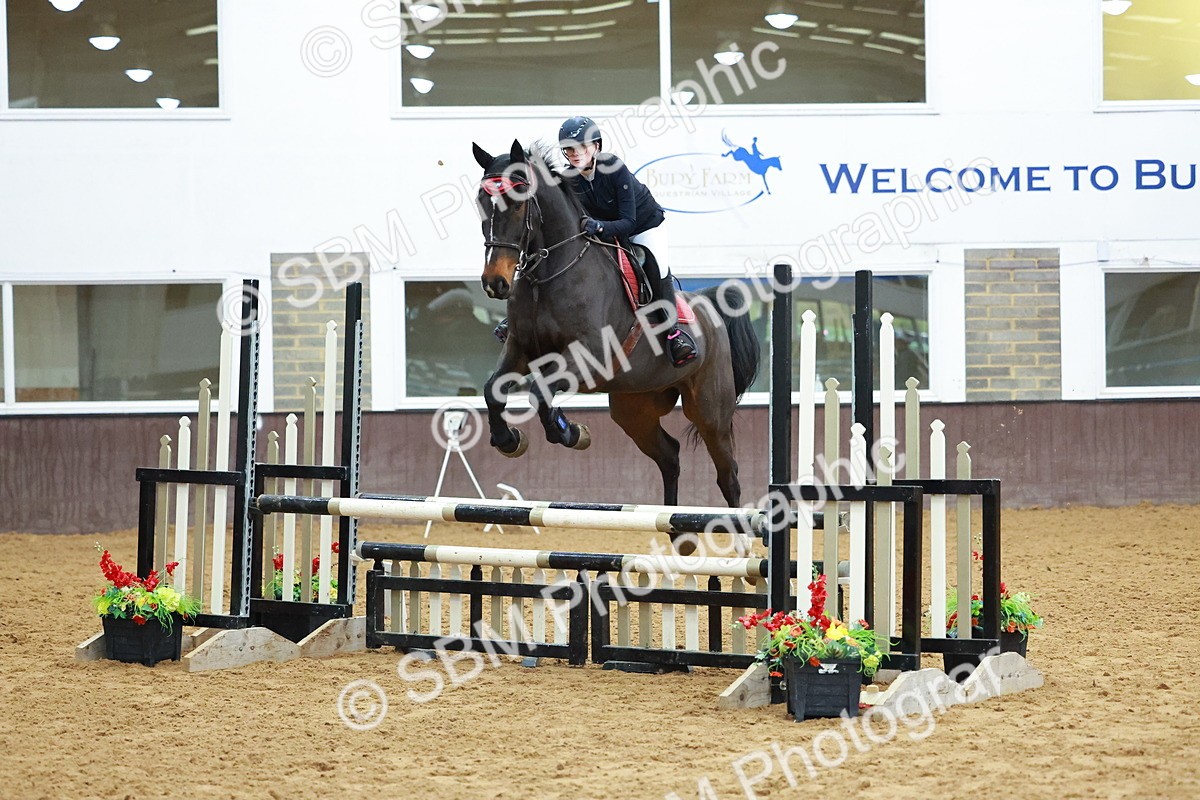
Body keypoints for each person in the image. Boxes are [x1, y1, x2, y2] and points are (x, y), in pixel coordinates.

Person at [557, 115, 697, 367]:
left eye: (581, 147)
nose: (575, 154)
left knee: (655, 266)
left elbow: (628, 222)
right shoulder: (569, 178)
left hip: (643, 225)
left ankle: (675, 334)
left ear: (596, 147)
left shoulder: (613, 167)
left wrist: (598, 227)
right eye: (569, 149)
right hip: (606, 230)